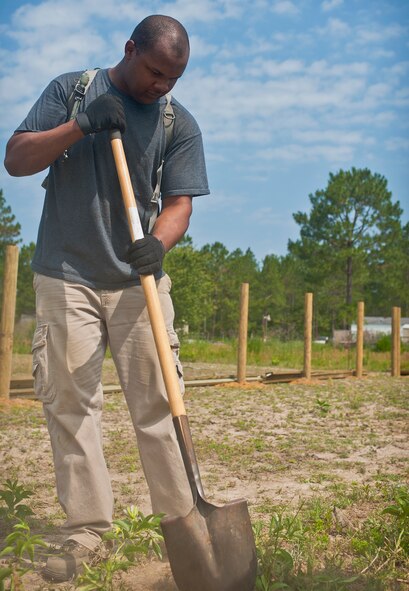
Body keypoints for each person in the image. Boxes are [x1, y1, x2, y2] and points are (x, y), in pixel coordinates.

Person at [4, 14, 209, 582]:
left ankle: (184, 523)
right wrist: (80, 125)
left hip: (137, 284)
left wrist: (158, 244)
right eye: (154, 72)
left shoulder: (177, 121)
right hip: (66, 277)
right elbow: (17, 158)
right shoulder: (70, 90)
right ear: (129, 49)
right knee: (72, 408)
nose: (161, 86)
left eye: (174, 77)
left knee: (162, 406)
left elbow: (180, 204)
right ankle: (88, 531)